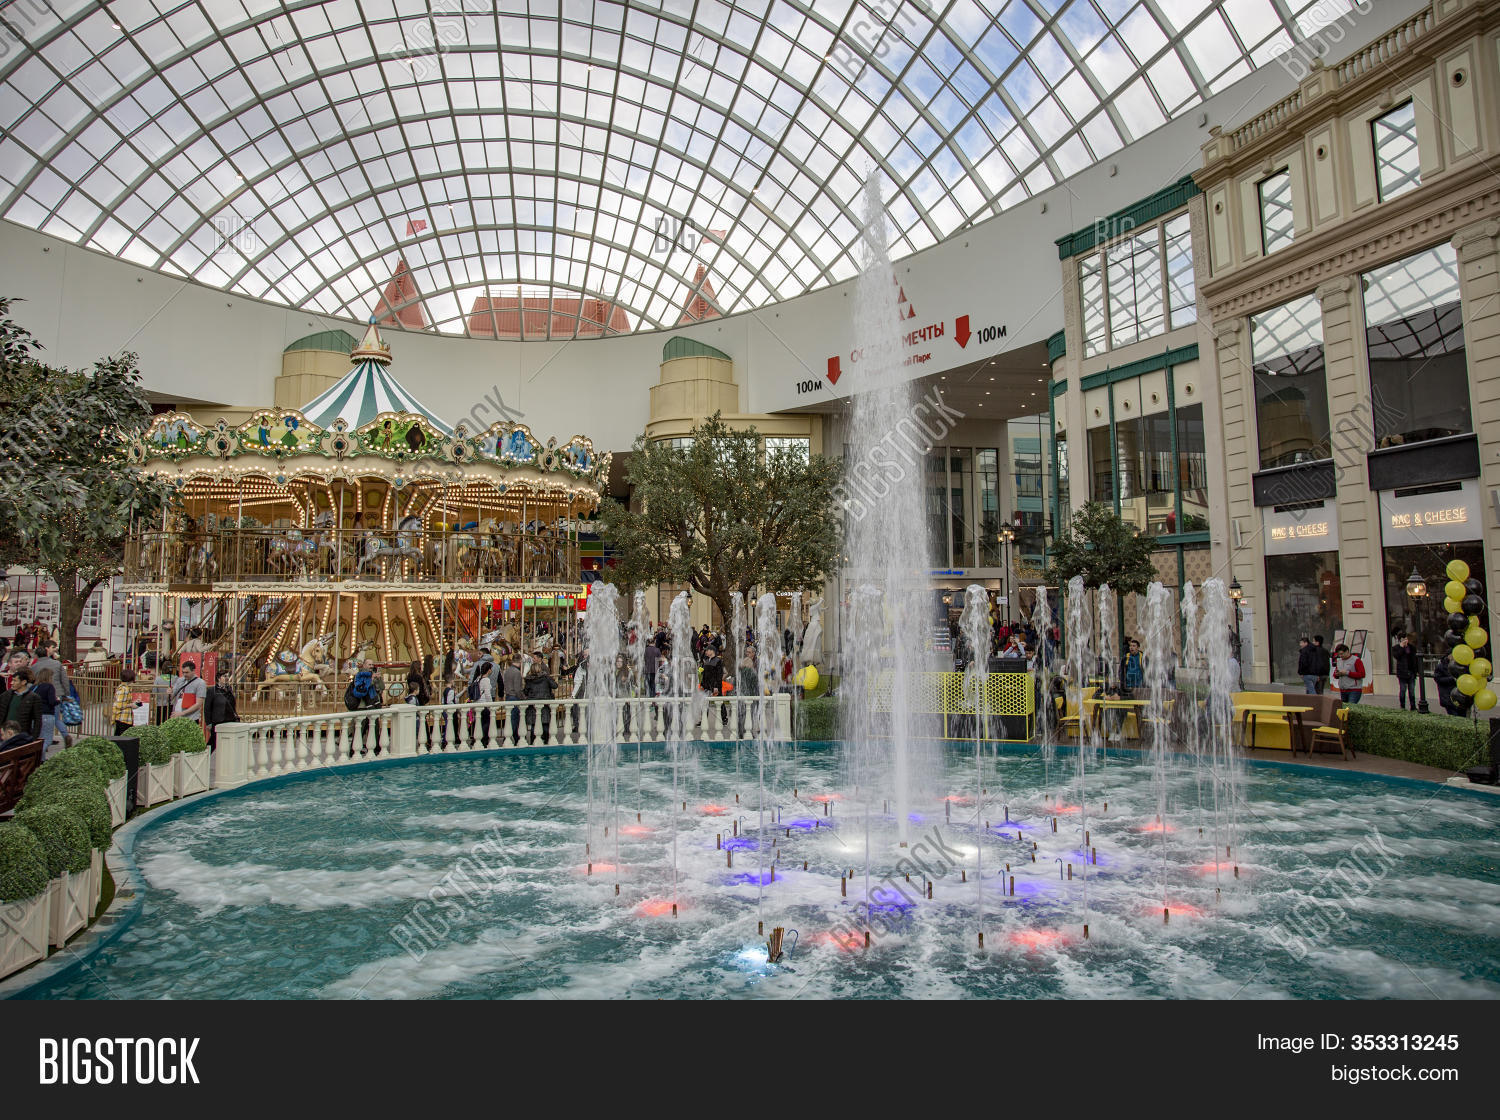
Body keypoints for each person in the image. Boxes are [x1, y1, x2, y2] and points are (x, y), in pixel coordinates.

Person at [346, 659, 384, 754]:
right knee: (360, 728)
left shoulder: (374, 674)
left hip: (373, 704)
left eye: (372, 664)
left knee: (374, 726)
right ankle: (354, 749)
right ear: (364, 665)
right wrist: (371, 680)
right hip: (362, 705)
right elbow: (362, 688)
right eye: (369, 664)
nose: (371, 666)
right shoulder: (359, 675)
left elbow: (381, 687)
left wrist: (378, 679)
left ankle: (375, 747)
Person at [1, 668, 44, 749]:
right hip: (4, 735)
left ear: (23, 682)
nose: (11, 683)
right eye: (12, 680)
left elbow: (38, 720)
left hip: (21, 736)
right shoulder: (6, 695)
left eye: (15, 681)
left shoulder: (34, 697)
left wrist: (33, 738)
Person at [523, 658, 556, 744]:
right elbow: (555, 686)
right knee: (545, 723)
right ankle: (545, 741)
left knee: (534, 724)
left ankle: (533, 742)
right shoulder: (545, 678)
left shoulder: (529, 680)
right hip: (545, 702)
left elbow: (525, 691)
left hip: (533, 704)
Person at [31, 641, 70, 710]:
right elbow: (64, 679)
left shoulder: (34, 667)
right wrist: (66, 693)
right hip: (57, 693)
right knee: (56, 716)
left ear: (36, 655)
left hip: (40, 694)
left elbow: (32, 681)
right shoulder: (57, 663)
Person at [33, 667, 59, 756]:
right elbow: (52, 702)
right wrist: (58, 700)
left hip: (35, 715)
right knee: (47, 739)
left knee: (39, 738)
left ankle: (42, 759)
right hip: (47, 715)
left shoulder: (34, 687)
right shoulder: (49, 687)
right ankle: (39, 756)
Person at [1390, 632, 1419, 710]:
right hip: (1402, 673)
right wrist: (1402, 648)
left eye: (1406, 639)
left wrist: (1416, 670)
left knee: (1412, 691)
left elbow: (1415, 659)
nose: (1405, 641)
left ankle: (1413, 706)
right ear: (1400, 640)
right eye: (1403, 639)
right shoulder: (1396, 648)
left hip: (1411, 672)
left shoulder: (1412, 647)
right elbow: (1397, 656)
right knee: (1403, 690)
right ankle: (1402, 706)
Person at [502, 655, 525, 743]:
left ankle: (515, 737)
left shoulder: (507, 671)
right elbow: (517, 689)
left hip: (508, 696)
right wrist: (523, 697)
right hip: (514, 697)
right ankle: (510, 738)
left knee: (510, 718)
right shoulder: (517, 672)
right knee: (514, 719)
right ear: (519, 662)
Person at [112, 666, 138, 735]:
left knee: (119, 736)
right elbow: (119, 705)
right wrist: (131, 705)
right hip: (123, 718)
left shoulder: (122, 687)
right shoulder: (124, 689)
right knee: (122, 737)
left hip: (122, 718)